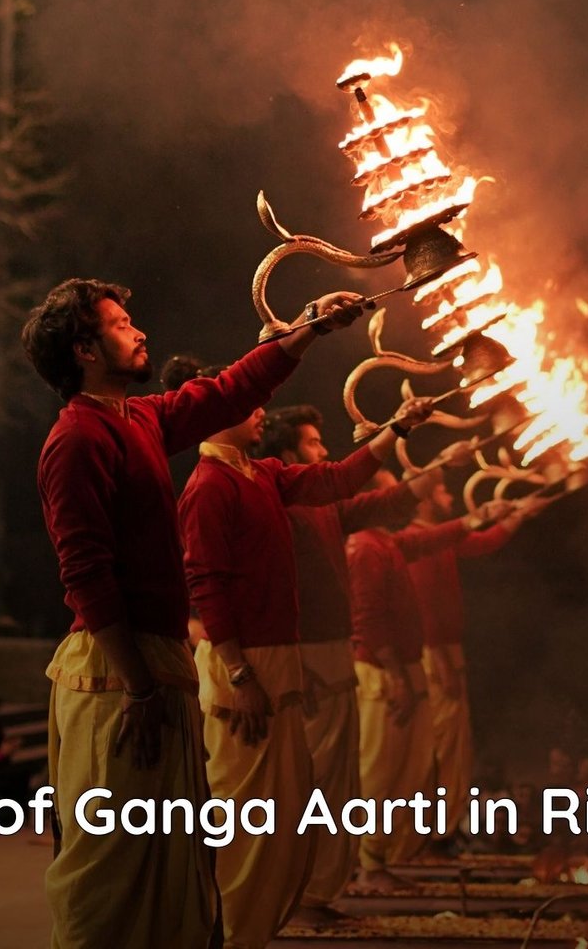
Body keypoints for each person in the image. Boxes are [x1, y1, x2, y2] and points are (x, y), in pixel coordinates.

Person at [21, 275, 368, 948]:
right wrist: (139, 686)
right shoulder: (77, 439)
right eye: (121, 325)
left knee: (169, 862)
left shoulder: (140, 419)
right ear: (84, 350)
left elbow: (226, 391)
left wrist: (309, 327)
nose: (140, 331)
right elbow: (86, 576)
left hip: (153, 668)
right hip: (116, 677)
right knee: (112, 867)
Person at [174, 359, 437, 947]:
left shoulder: (263, 474)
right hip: (245, 666)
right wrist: (240, 674)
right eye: (245, 402)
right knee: (245, 812)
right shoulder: (209, 486)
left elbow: (338, 480)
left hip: (276, 661)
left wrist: (397, 428)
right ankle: (223, 932)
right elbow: (207, 587)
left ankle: (254, 928)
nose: (260, 409)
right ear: (215, 413)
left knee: (284, 810)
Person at [251, 406, 434, 915]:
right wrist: (293, 661)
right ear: (288, 453)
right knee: (307, 783)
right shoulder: (279, 506)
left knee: (337, 781)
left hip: (332, 654)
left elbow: (381, 501)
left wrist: (433, 469)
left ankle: (317, 891)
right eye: (313, 443)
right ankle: (295, 894)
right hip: (304, 657)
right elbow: (272, 587)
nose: (324, 450)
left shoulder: (324, 507)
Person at [346, 479, 514, 891]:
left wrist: (480, 517)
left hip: (401, 669)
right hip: (384, 675)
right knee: (380, 771)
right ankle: (368, 863)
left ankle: (387, 855)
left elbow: (430, 541)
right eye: (396, 493)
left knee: (408, 769)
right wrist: (396, 675)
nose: (406, 498)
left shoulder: (387, 543)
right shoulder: (365, 547)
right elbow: (367, 618)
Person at [405, 479, 528, 845]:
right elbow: (423, 604)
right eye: (442, 490)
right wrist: (441, 659)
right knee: (441, 747)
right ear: (425, 500)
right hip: (434, 654)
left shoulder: (438, 536)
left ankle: (442, 830)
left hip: (445, 651)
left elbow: (479, 543)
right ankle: (429, 834)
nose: (449, 495)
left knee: (455, 747)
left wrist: (519, 515)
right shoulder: (418, 540)